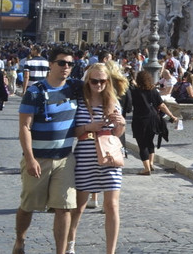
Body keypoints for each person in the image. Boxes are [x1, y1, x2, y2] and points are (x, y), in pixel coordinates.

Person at [14, 46, 81, 254]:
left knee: (64, 208)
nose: (66, 67)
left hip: (64, 158)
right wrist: (30, 158)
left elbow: (102, 87)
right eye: (61, 63)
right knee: (28, 205)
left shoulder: (75, 88)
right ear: (50, 64)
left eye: (70, 64)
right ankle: (20, 240)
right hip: (39, 158)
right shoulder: (35, 92)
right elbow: (25, 127)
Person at [66, 62, 128, 254]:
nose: (99, 85)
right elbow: (72, 132)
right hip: (85, 156)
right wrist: (87, 127)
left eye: (102, 81)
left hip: (109, 156)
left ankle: (110, 251)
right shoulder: (79, 102)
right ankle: (70, 246)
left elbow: (117, 133)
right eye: (94, 81)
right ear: (88, 81)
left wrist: (122, 123)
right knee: (78, 207)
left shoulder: (113, 101)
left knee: (112, 205)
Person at [130, 69, 178, 176]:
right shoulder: (153, 90)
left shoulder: (135, 91)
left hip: (140, 119)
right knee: (150, 142)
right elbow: (162, 105)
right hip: (153, 119)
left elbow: (129, 104)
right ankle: (151, 163)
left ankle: (146, 168)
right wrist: (171, 115)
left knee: (142, 145)